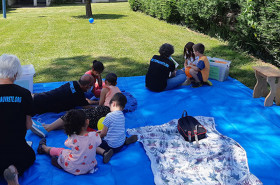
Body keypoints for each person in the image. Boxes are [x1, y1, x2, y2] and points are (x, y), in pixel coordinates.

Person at [0, 54, 35, 185]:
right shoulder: (24, 94)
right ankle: (13, 170)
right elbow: (28, 125)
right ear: (16, 73)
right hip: (17, 150)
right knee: (30, 155)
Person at [37, 109, 101, 175]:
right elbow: (98, 142)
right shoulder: (95, 135)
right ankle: (59, 161)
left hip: (73, 168)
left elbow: (66, 144)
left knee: (62, 151)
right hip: (90, 167)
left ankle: (44, 147)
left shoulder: (72, 137)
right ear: (87, 121)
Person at [96, 92, 138, 164]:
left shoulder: (109, 116)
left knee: (93, 145)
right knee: (119, 133)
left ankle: (105, 153)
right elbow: (114, 128)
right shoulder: (122, 115)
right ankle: (126, 141)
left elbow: (103, 133)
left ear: (114, 104)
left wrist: (97, 137)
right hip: (120, 144)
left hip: (111, 146)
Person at [31, 105, 110, 138]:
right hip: (100, 114)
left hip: (101, 111)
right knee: (74, 118)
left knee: (73, 115)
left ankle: (47, 129)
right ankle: (47, 127)